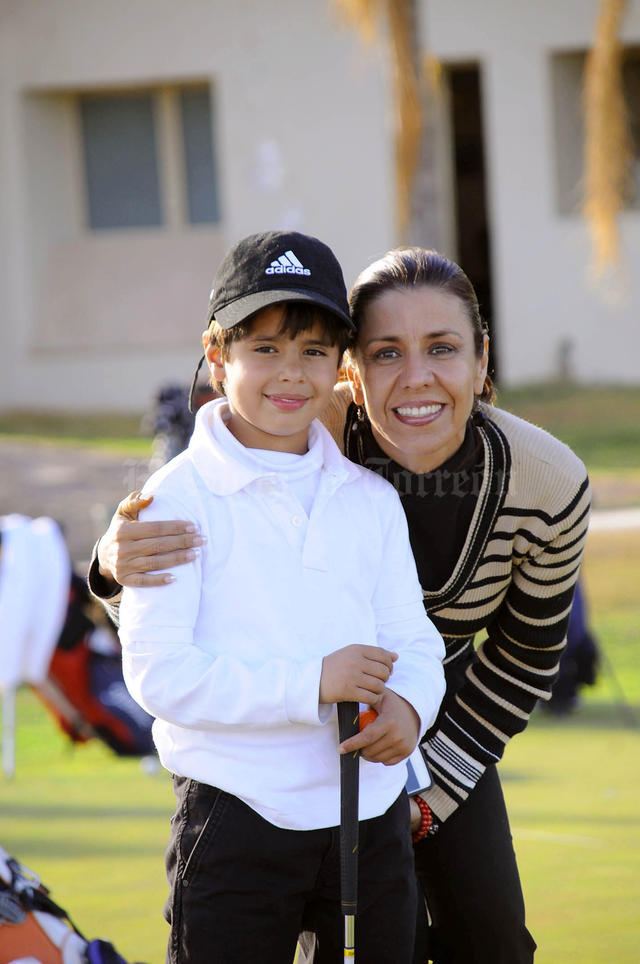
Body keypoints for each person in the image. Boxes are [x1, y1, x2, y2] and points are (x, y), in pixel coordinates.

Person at [91, 246, 591, 963]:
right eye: (386, 352)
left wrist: (423, 756)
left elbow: (523, 656)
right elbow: (177, 631)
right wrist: (111, 565)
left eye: (444, 349)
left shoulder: (541, 480)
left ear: (484, 361)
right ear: (354, 370)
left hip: (433, 711)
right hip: (263, 770)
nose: (415, 377)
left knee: (492, 939)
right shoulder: (309, 423)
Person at [115, 230, 446, 964]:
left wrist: (411, 704)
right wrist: (310, 684)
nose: (291, 374)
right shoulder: (173, 502)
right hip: (234, 820)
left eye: (314, 352)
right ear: (216, 352)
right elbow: (160, 675)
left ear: (341, 364)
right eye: (264, 348)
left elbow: (413, 638)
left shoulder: (368, 497)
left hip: (369, 818)